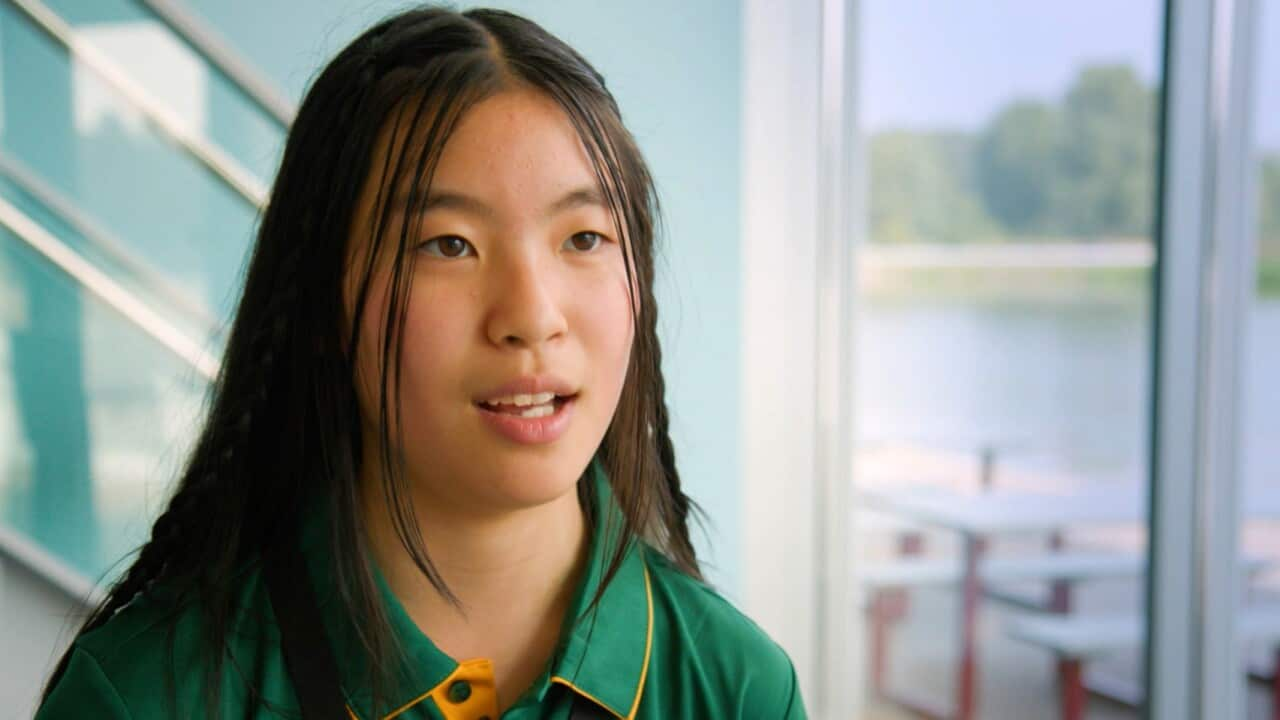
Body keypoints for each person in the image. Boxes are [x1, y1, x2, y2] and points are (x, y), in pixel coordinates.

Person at [34, 6, 805, 719]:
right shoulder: (143, 694)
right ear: (326, 300)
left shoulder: (737, 687)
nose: (533, 317)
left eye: (584, 239)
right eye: (448, 245)